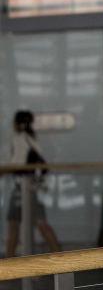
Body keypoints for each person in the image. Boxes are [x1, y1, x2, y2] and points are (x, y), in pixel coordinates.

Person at [5, 110, 61, 257]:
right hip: (33, 187)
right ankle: (60, 257)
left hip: (22, 188)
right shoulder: (32, 138)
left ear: (17, 124)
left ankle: (7, 264)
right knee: (40, 223)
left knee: (13, 224)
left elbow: (16, 165)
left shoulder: (20, 139)